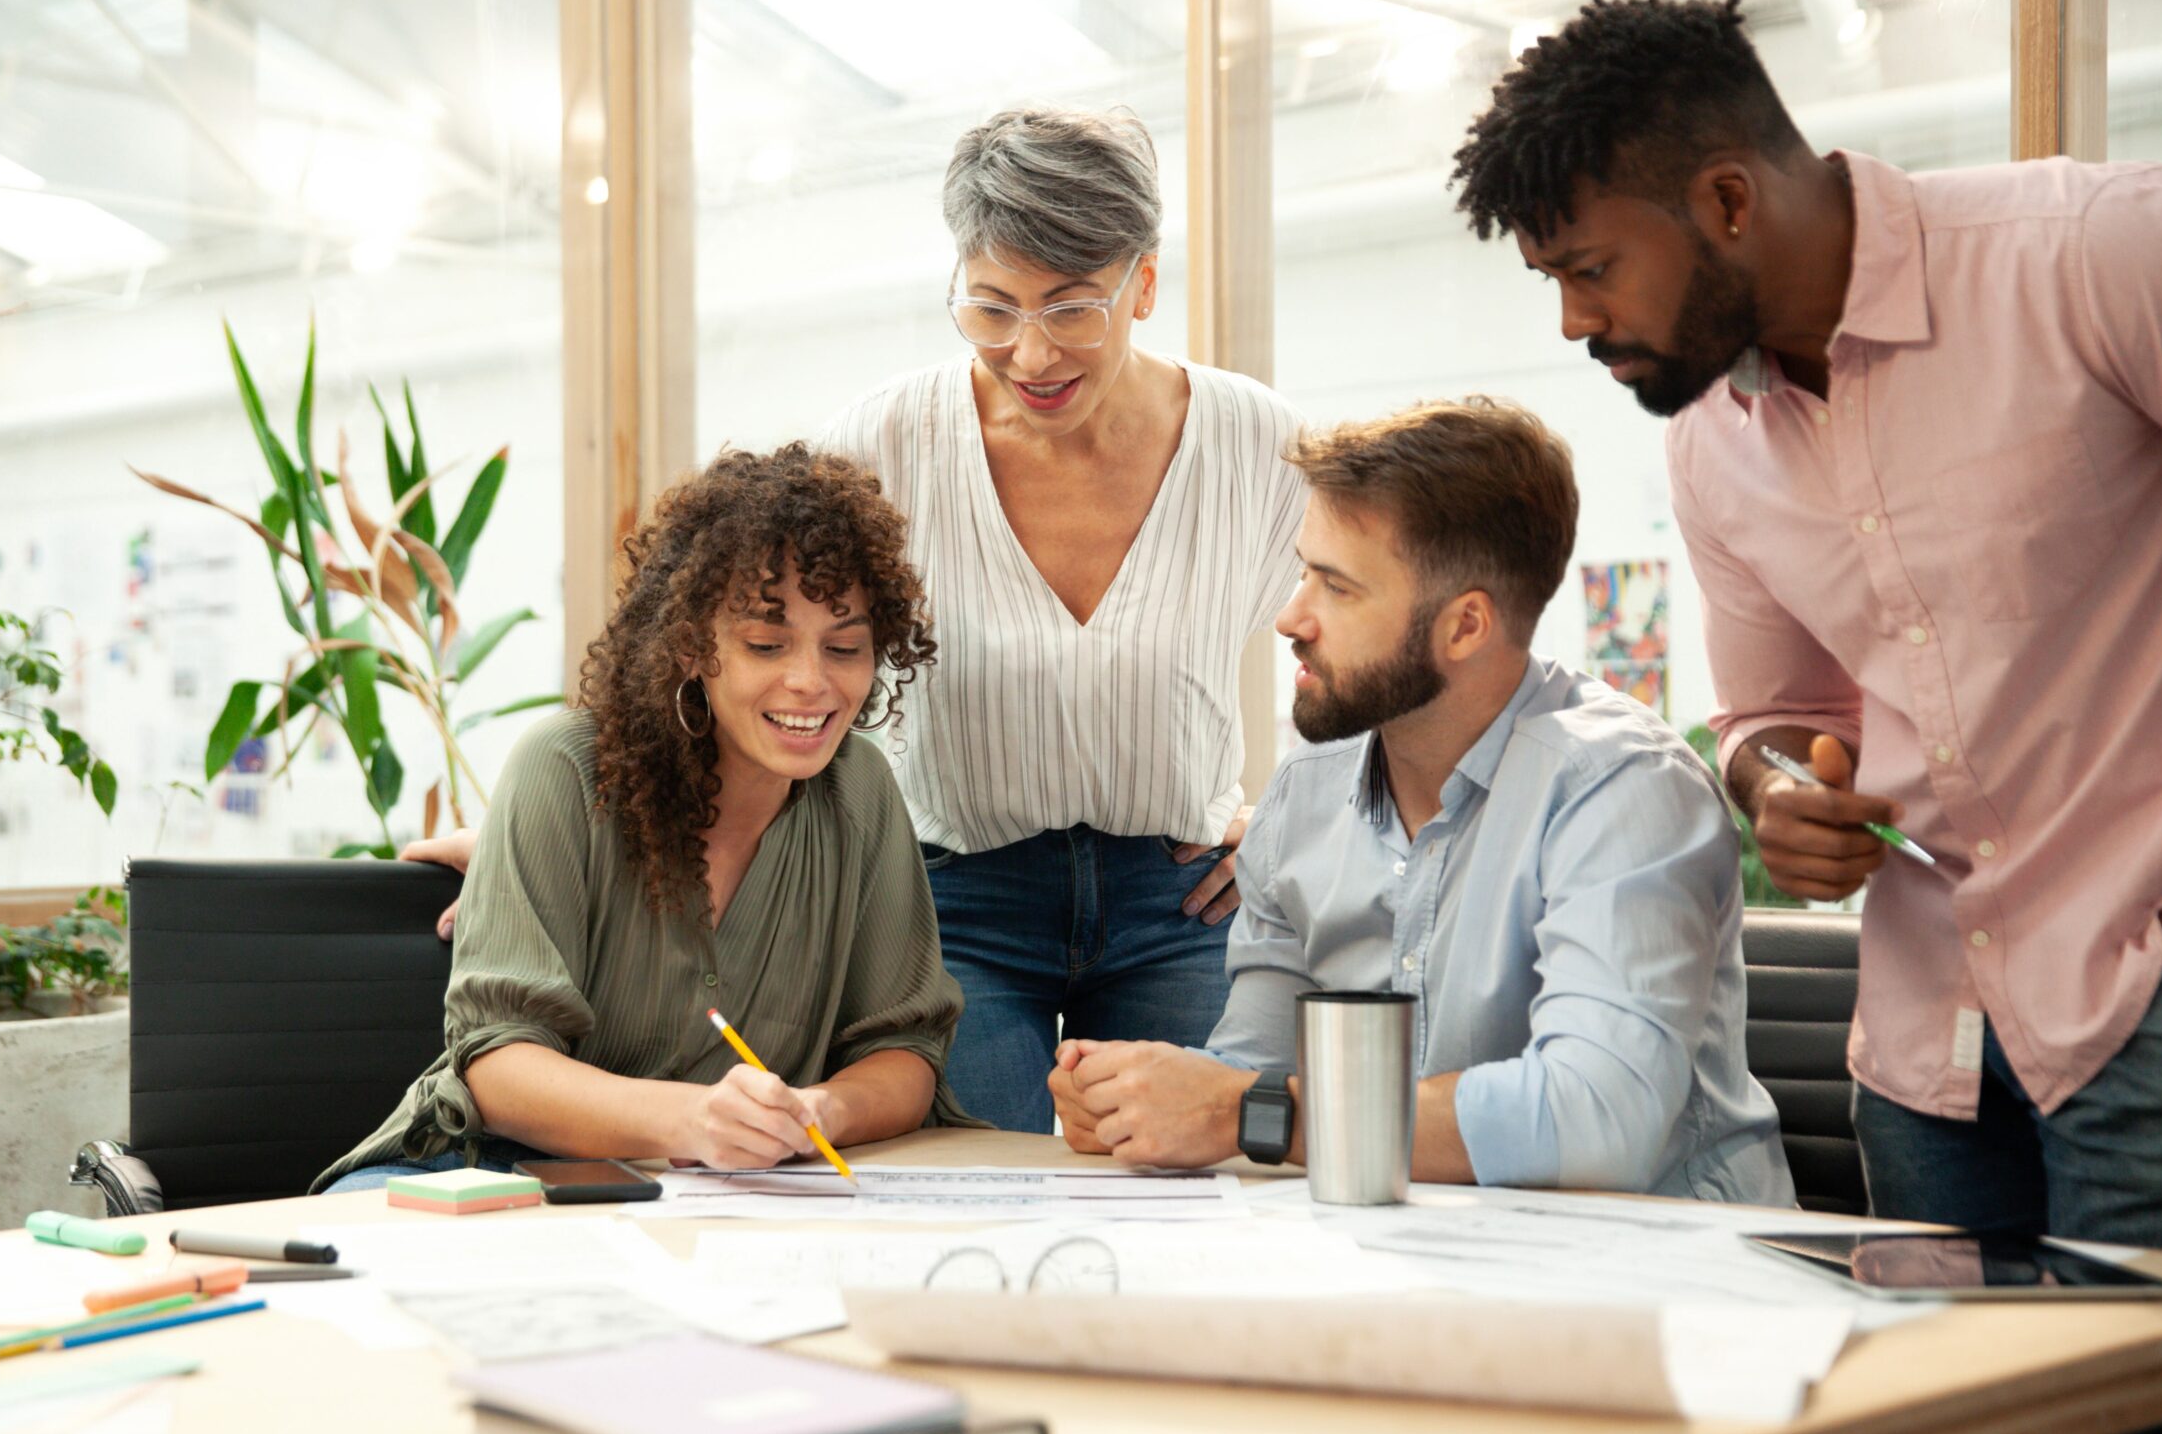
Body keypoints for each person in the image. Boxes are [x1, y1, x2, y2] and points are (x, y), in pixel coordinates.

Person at [1450, 0, 2162, 1434]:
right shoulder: (1709, 441)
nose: (1573, 322)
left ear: (1725, 199)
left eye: (1589, 268)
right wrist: (1781, 789)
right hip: (1924, 1052)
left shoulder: (2099, 254)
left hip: (2147, 995)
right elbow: (1771, 715)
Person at [1048, 398, 1792, 1208]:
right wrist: (1141, 1102)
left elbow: (1600, 1116)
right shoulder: (1307, 794)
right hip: (1433, 1266)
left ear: (1465, 625)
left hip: (1672, 1279)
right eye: (1304, 572)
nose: (1291, 617)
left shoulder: (1624, 789)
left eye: (1335, 587)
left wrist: (1239, 1110)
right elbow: (1250, 1074)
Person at [819, 105, 1307, 1133]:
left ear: (1143, 282)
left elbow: (1369, 648)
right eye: (990, 307)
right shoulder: (886, 443)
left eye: (1071, 307)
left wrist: (1296, 825)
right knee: (989, 1205)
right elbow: (757, 663)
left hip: (1177, 902)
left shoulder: (1254, 442)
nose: (1031, 354)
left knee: (1193, 1201)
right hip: (957, 902)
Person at [313, 444, 967, 1194]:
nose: (811, 682)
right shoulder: (564, 769)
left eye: (845, 646)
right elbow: (498, 1066)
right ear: (692, 643)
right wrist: (692, 1121)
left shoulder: (861, 789)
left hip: (718, 1199)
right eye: (765, 643)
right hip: (485, 1174)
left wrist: (817, 1110)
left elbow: (906, 1051)